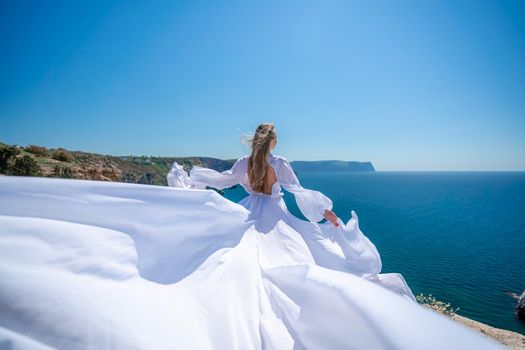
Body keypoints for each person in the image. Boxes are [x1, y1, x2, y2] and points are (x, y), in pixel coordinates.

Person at [168, 122, 416, 300]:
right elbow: (299, 192)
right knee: (300, 252)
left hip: (250, 209)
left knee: (241, 250)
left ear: (255, 140)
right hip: (276, 214)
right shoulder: (279, 163)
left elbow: (224, 181)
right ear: (273, 141)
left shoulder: (244, 163)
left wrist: (192, 180)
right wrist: (326, 212)